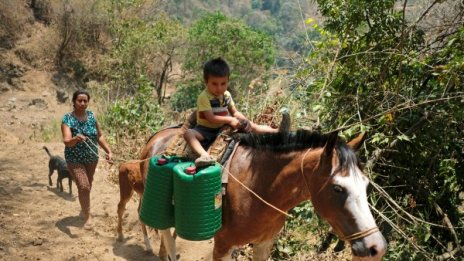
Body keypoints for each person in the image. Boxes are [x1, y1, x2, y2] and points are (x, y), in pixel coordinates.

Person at [184, 57, 278, 167]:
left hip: (223, 127)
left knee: (253, 126)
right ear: (206, 82)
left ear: (228, 81)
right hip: (205, 130)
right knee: (189, 134)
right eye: (214, 84)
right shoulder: (203, 97)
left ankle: (276, 131)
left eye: (223, 83)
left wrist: (244, 120)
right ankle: (204, 155)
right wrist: (230, 120)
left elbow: (234, 112)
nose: (219, 88)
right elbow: (211, 118)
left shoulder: (227, 95)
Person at [61, 89, 112, 229]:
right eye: (80, 100)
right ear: (74, 102)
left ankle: (85, 205)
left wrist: (108, 151)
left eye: (85, 101)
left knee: (87, 185)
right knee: (84, 186)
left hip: (91, 158)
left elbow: (99, 136)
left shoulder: (91, 116)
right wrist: (75, 139)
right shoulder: (67, 119)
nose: (83, 103)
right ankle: (87, 215)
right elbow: (66, 141)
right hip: (74, 158)